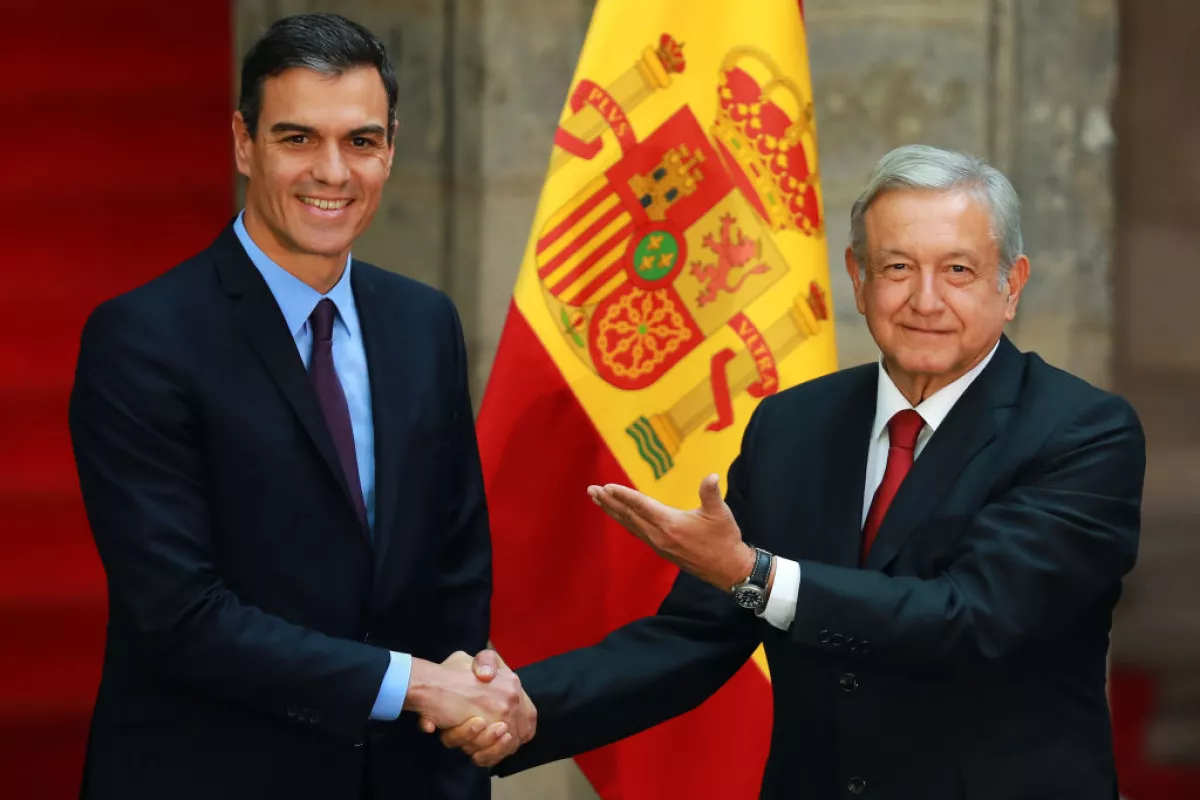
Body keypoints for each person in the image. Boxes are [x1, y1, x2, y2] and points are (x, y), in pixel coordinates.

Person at [441, 144, 1146, 798]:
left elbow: (969, 620)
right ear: (858, 278)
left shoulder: (1083, 432)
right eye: (898, 267)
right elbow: (697, 636)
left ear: (1011, 284)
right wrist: (522, 707)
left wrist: (755, 575)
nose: (925, 300)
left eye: (957, 270)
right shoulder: (793, 427)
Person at [68, 13, 532, 800]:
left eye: (359, 141)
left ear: (390, 147)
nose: (333, 171)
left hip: (409, 778)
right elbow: (180, 616)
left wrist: (473, 691)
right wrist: (418, 686)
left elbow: (456, 574)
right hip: (212, 773)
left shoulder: (426, 323)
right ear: (244, 144)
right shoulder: (142, 338)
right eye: (297, 139)